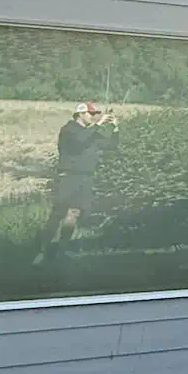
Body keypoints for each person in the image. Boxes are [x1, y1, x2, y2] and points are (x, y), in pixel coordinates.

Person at [32, 102, 117, 262]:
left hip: (86, 177)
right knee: (58, 214)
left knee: (74, 213)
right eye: (91, 114)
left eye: (96, 114)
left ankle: (61, 251)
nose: (94, 117)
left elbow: (111, 145)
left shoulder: (91, 132)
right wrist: (98, 124)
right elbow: (80, 141)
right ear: (80, 114)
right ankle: (41, 251)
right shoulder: (69, 130)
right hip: (69, 176)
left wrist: (114, 127)